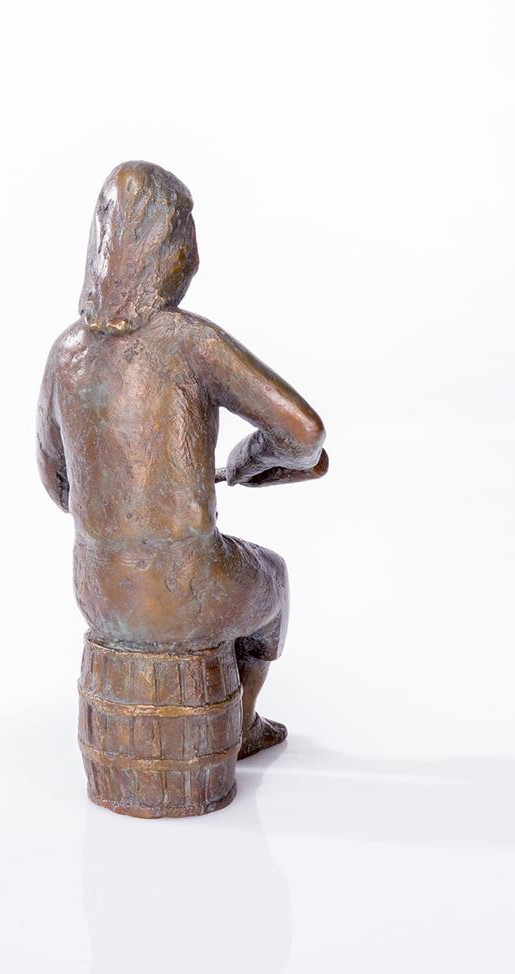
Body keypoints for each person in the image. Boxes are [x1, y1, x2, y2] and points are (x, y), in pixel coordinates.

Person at [37, 161, 327, 758]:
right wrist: (254, 456)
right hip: (186, 590)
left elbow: (57, 483)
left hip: (97, 591)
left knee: (203, 569)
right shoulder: (191, 342)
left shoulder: (65, 353)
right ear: (171, 250)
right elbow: (305, 434)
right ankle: (241, 723)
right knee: (272, 579)